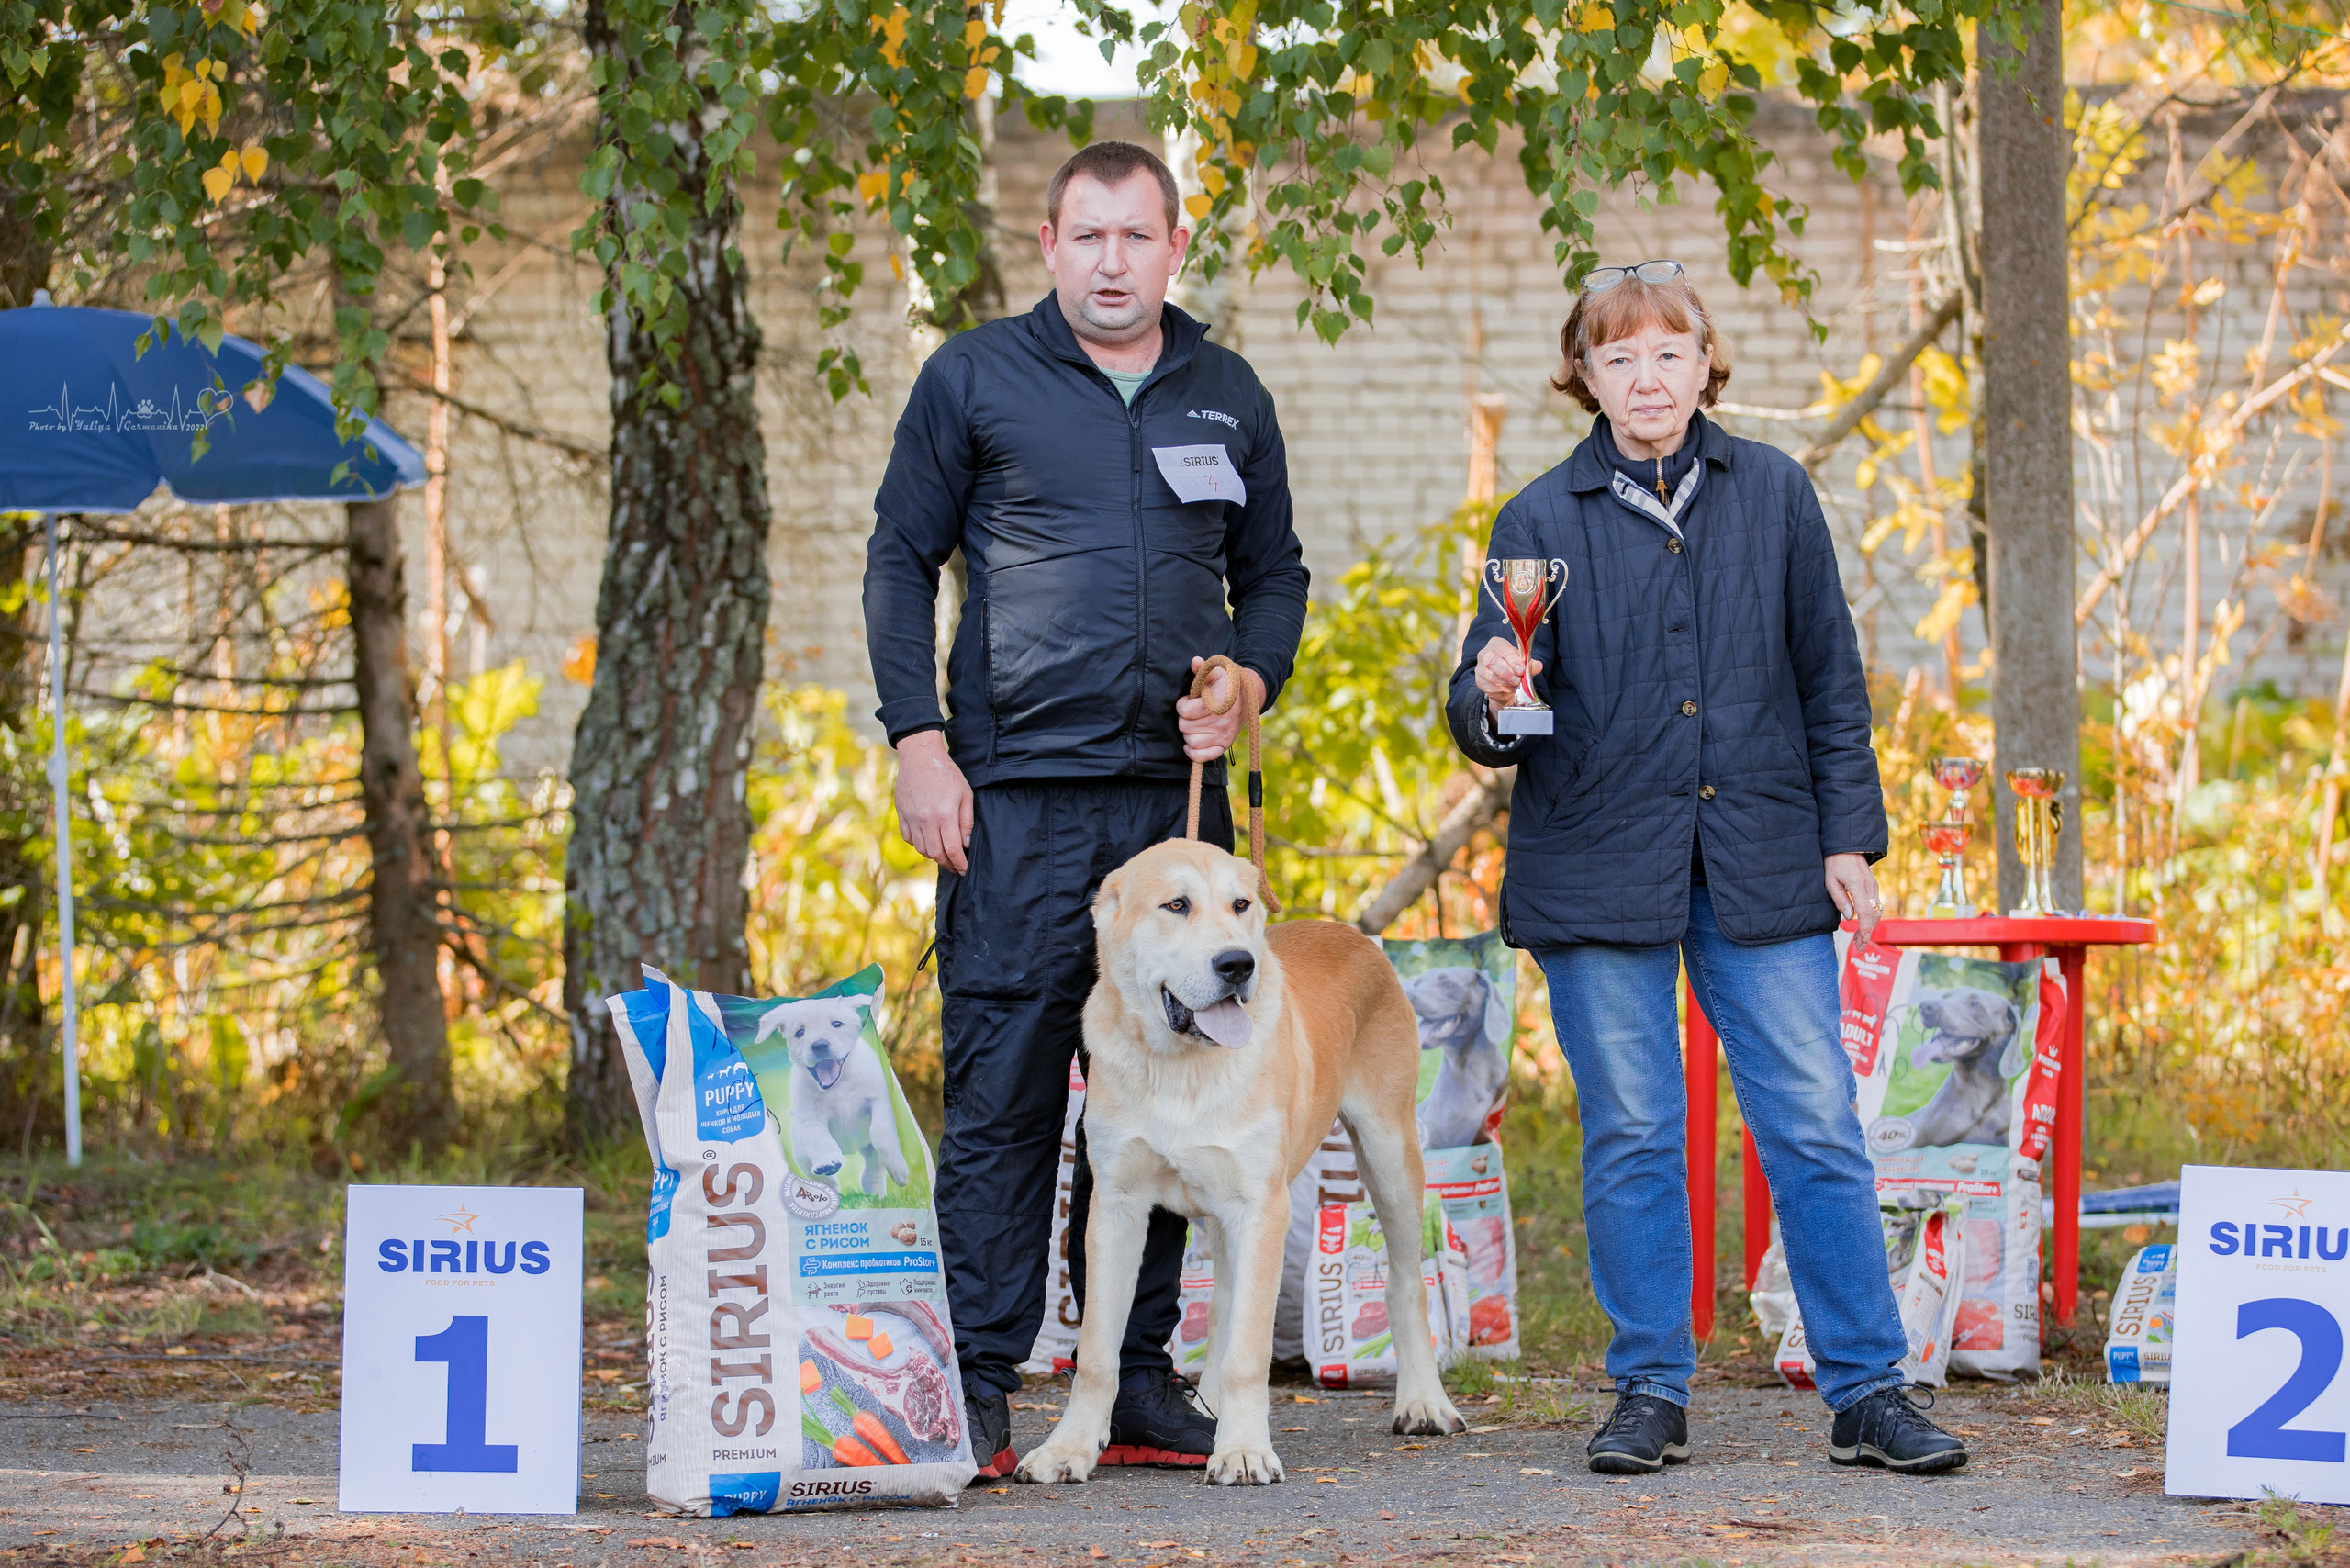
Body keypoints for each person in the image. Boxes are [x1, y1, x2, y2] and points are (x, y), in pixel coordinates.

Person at [1447, 260, 1968, 1476]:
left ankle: (1866, 1389)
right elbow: (1491, 712)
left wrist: (1850, 835)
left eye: (1668, 352)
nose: (1646, 377)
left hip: (1763, 855)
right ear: (1583, 374)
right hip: (1597, 865)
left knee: (1816, 1121)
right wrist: (1491, 692)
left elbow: (1830, 678)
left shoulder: (1777, 495)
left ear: (1705, 363)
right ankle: (1647, 1391)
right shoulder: (1537, 520)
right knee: (1632, 1131)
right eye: (1617, 356)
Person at [863, 140, 1310, 1480]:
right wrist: (918, 743)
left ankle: (1136, 1378)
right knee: (1002, 1089)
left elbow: (1274, 575)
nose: (1114, 262)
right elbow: (899, 559)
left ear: (1176, 249)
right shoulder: (975, 381)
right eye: (1088, 238)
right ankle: (982, 1378)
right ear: (1049, 247)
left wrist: (1248, 678)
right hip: (1006, 801)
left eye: (1138, 237)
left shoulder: (1227, 394)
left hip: (1169, 806)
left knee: (1179, 1077)